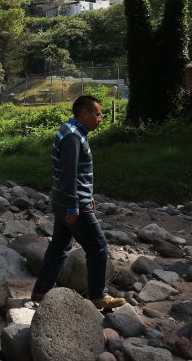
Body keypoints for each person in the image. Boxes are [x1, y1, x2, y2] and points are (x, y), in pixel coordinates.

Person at [30, 95, 126, 311]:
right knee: (98, 247)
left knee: (60, 247)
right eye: (97, 114)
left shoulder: (71, 131)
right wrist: (75, 204)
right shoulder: (73, 137)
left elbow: (77, 172)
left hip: (64, 199)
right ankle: (98, 295)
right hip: (71, 203)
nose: (100, 118)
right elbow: (69, 174)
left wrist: (87, 195)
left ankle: (41, 291)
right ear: (84, 113)